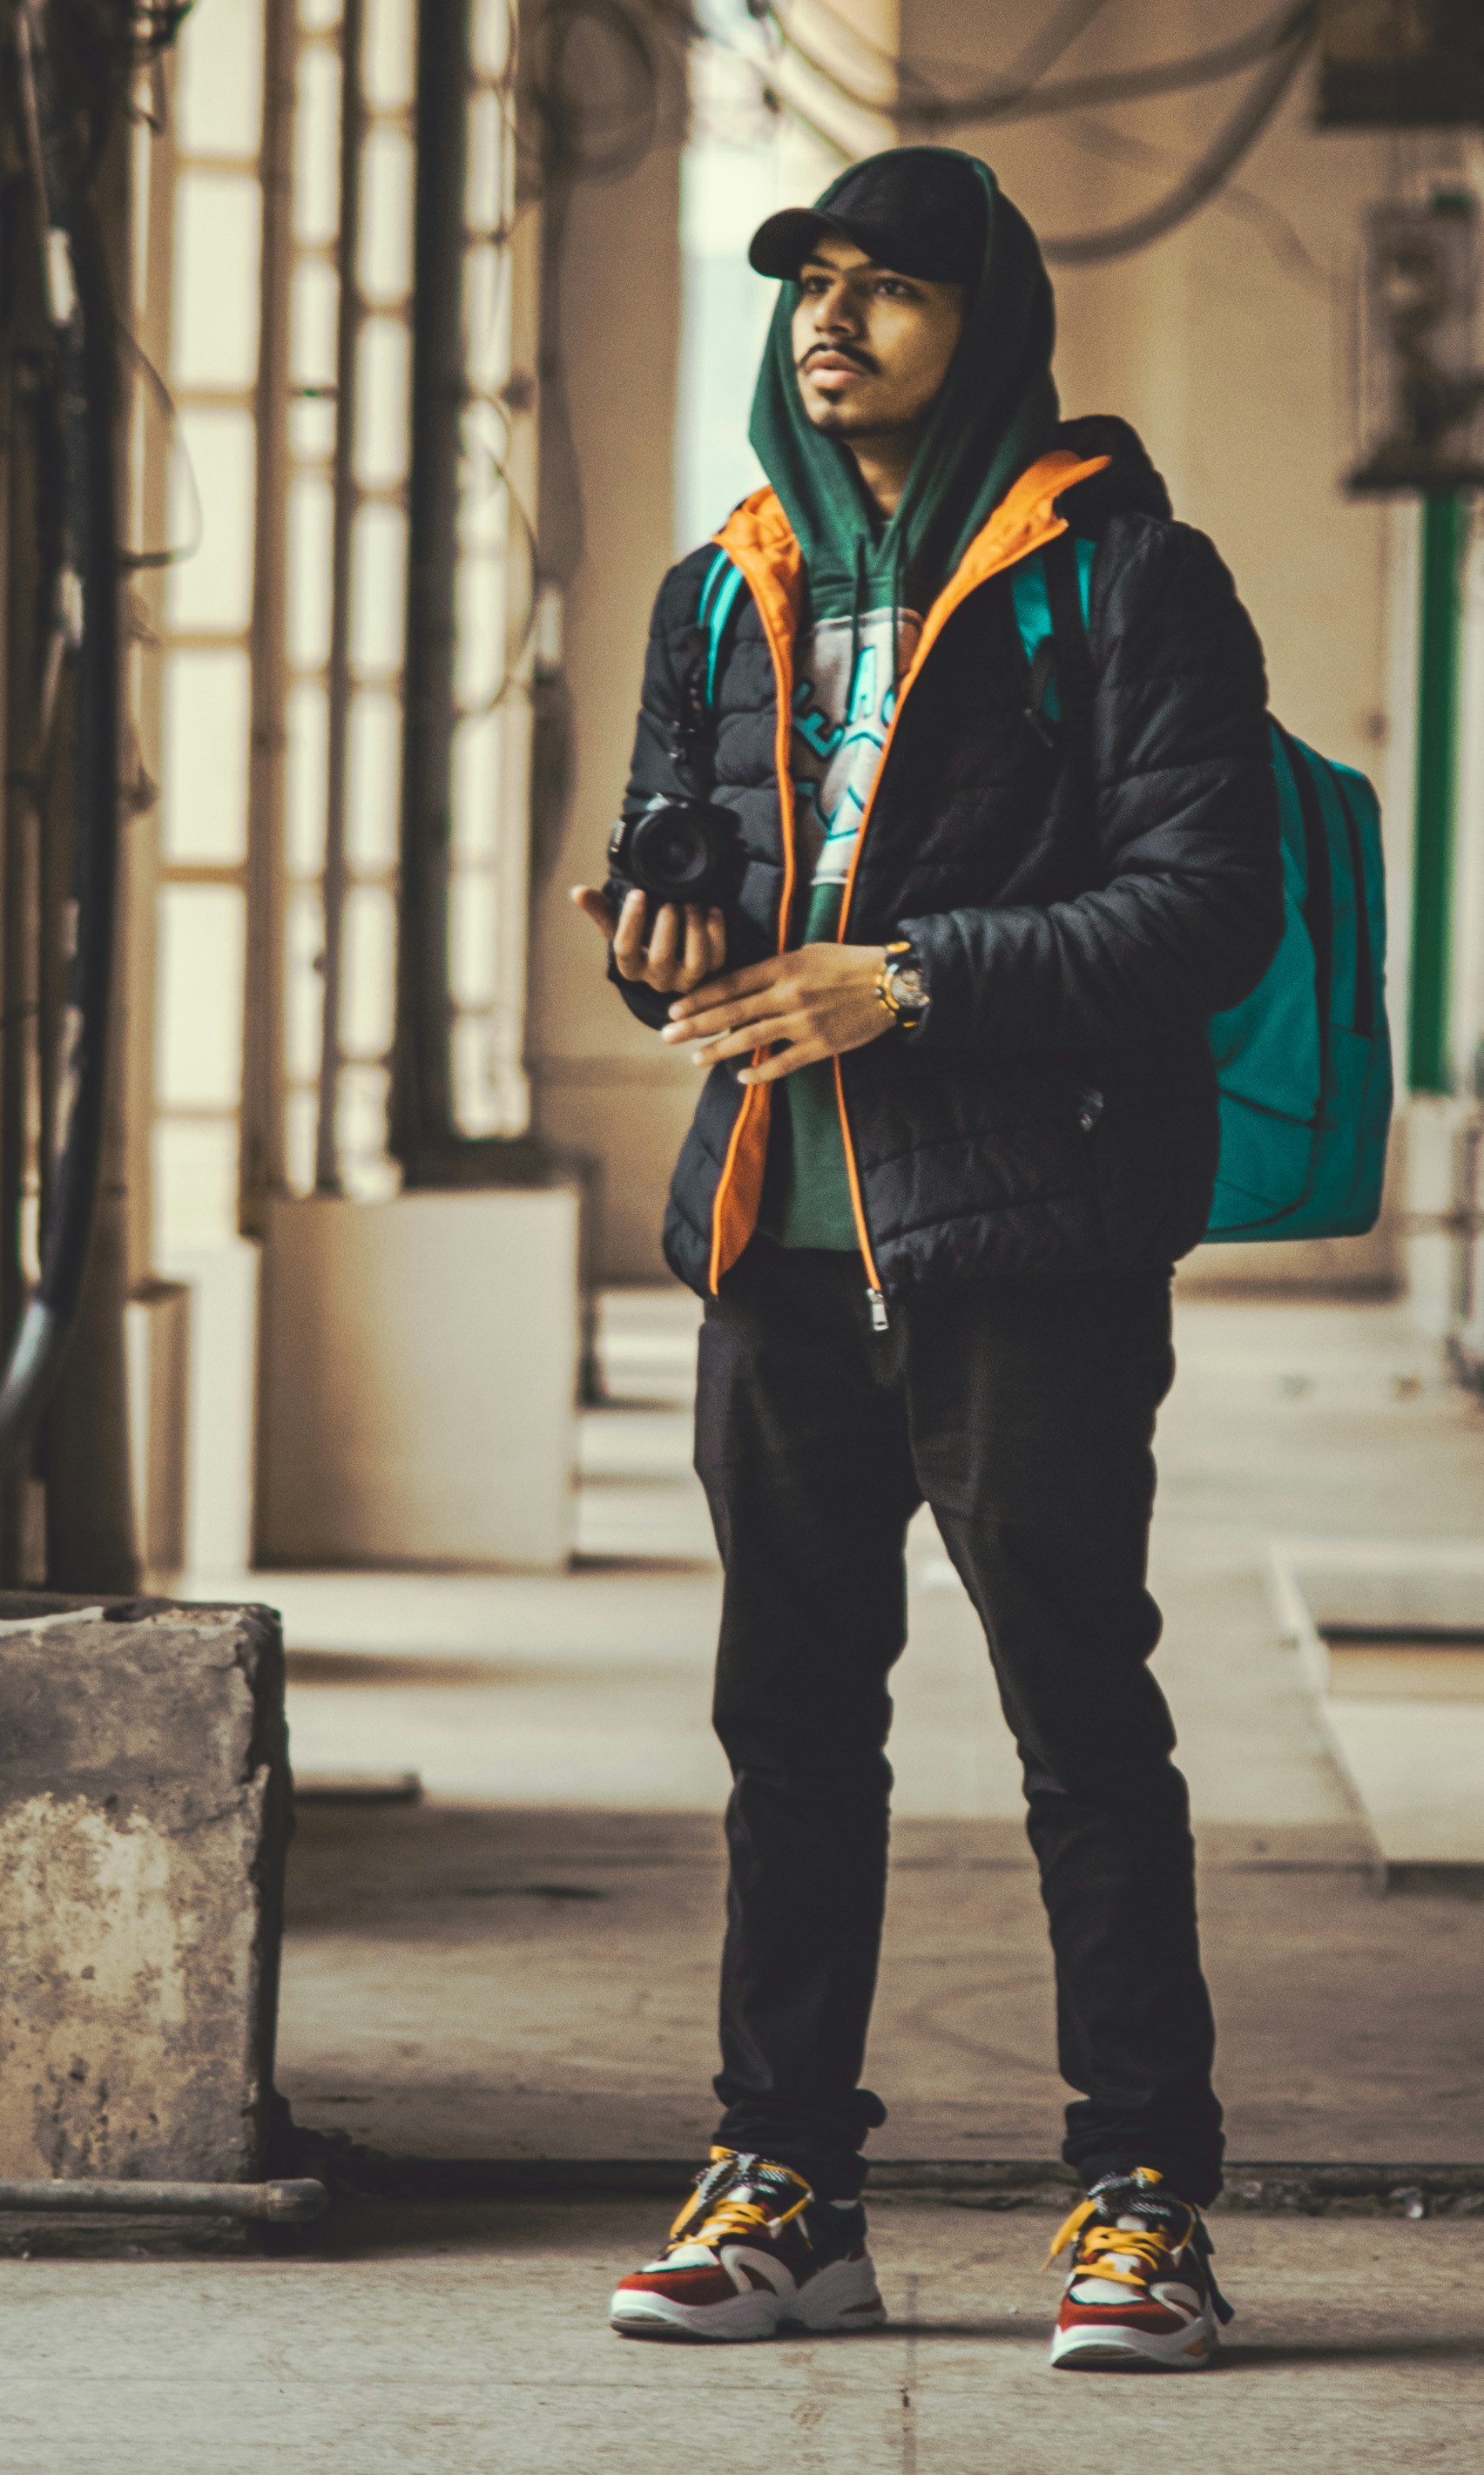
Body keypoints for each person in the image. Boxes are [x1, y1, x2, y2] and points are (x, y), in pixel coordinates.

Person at [575, 145, 1280, 2371]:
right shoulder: (721, 589)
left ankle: (1142, 2200)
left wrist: (906, 979)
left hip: (1025, 1240)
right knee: (788, 1728)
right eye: (811, 279)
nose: (831, 315)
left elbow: (1204, 909)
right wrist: (654, 938)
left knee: (1077, 1715)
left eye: (887, 284)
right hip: (775, 1237)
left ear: (988, 324)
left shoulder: (1125, 580)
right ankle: (783, 2185)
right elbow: (680, 878)